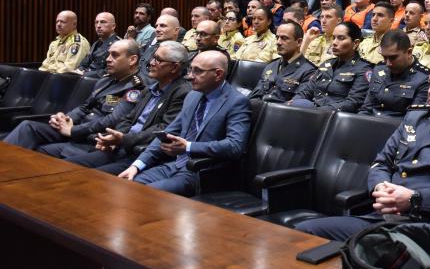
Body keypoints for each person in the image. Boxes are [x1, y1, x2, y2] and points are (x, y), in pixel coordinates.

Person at [295, 58, 430, 241]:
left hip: (429, 225)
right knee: (305, 231)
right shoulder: (414, 118)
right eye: (429, 83)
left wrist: (415, 198)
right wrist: (380, 189)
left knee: (373, 255)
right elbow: (381, 162)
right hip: (383, 217)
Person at [118, 50, 252, 196]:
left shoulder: (237, 102)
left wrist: (188, 147)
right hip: (173, 165)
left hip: (203, 172)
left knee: (147, 195)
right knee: (127, 186)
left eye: (197, 71)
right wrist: (136, 166)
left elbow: (235, 146)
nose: (190, 76)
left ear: (218, 74)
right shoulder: (193, 96)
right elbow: (168, 133)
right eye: (191, 70)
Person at [60, 41, 192, 173]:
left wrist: (123, 140)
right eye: (153, 57)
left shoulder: (182, 92)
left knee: (89, 177)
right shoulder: (148, 89)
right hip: (121, 148)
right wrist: (114, 138)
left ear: (174, 68)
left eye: (158, 60)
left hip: (140, 154)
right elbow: (129, 118)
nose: (151, 63)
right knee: (66, 167)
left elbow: (163, 129)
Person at [5, 39, 145, 151]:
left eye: (114, 55)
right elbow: (84, 108)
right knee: (27, 127)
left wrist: (73, 131)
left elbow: (112, 121)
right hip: (75, 128)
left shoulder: (135, 88)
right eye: (108, 54)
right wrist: (64, 119)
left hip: (91, 137)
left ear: (132, 60)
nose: (108, 59)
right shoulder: (105, 81)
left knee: (43, 152)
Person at [290, 21, 373, 112]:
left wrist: (317, 111)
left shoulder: (363, 69)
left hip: (336, 117)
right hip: (313, 112)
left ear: (356, 43)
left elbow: (353, 103)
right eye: (333, 38)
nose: (334, 42)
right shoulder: (326, 65)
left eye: (341, 38)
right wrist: (292, 102)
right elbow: (306, 92)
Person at [358, 29, 430, 118]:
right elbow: (366, 108)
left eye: (393, 58)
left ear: (409, 52)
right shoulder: (379, 69)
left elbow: (413, 119)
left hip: (398, 128)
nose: (388, 63)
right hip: (369, 124)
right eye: (385, 57)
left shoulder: (424, 78)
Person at [249, 22, 317, 103]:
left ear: (298, 42)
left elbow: (295, 103)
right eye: (277, 38)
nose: (278, 42)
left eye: (284, 38)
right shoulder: (271, 65)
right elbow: (255, 95)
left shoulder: (308, 71)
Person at [73, 12, 120, 77]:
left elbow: (109, 71)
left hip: (102, 82)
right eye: (96, 22)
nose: (98, 26)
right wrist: (77, 71)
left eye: (103, 22)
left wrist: (84, 74)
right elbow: (85, 63)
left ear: (113, 26)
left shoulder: (118, 44)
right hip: (87, 79)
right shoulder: (97, 43)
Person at [139, 15, 182, 85]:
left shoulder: (179, 53)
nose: (157, 29)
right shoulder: (150, 48)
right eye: (156, 26)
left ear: (176, 30)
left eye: (162, 26)